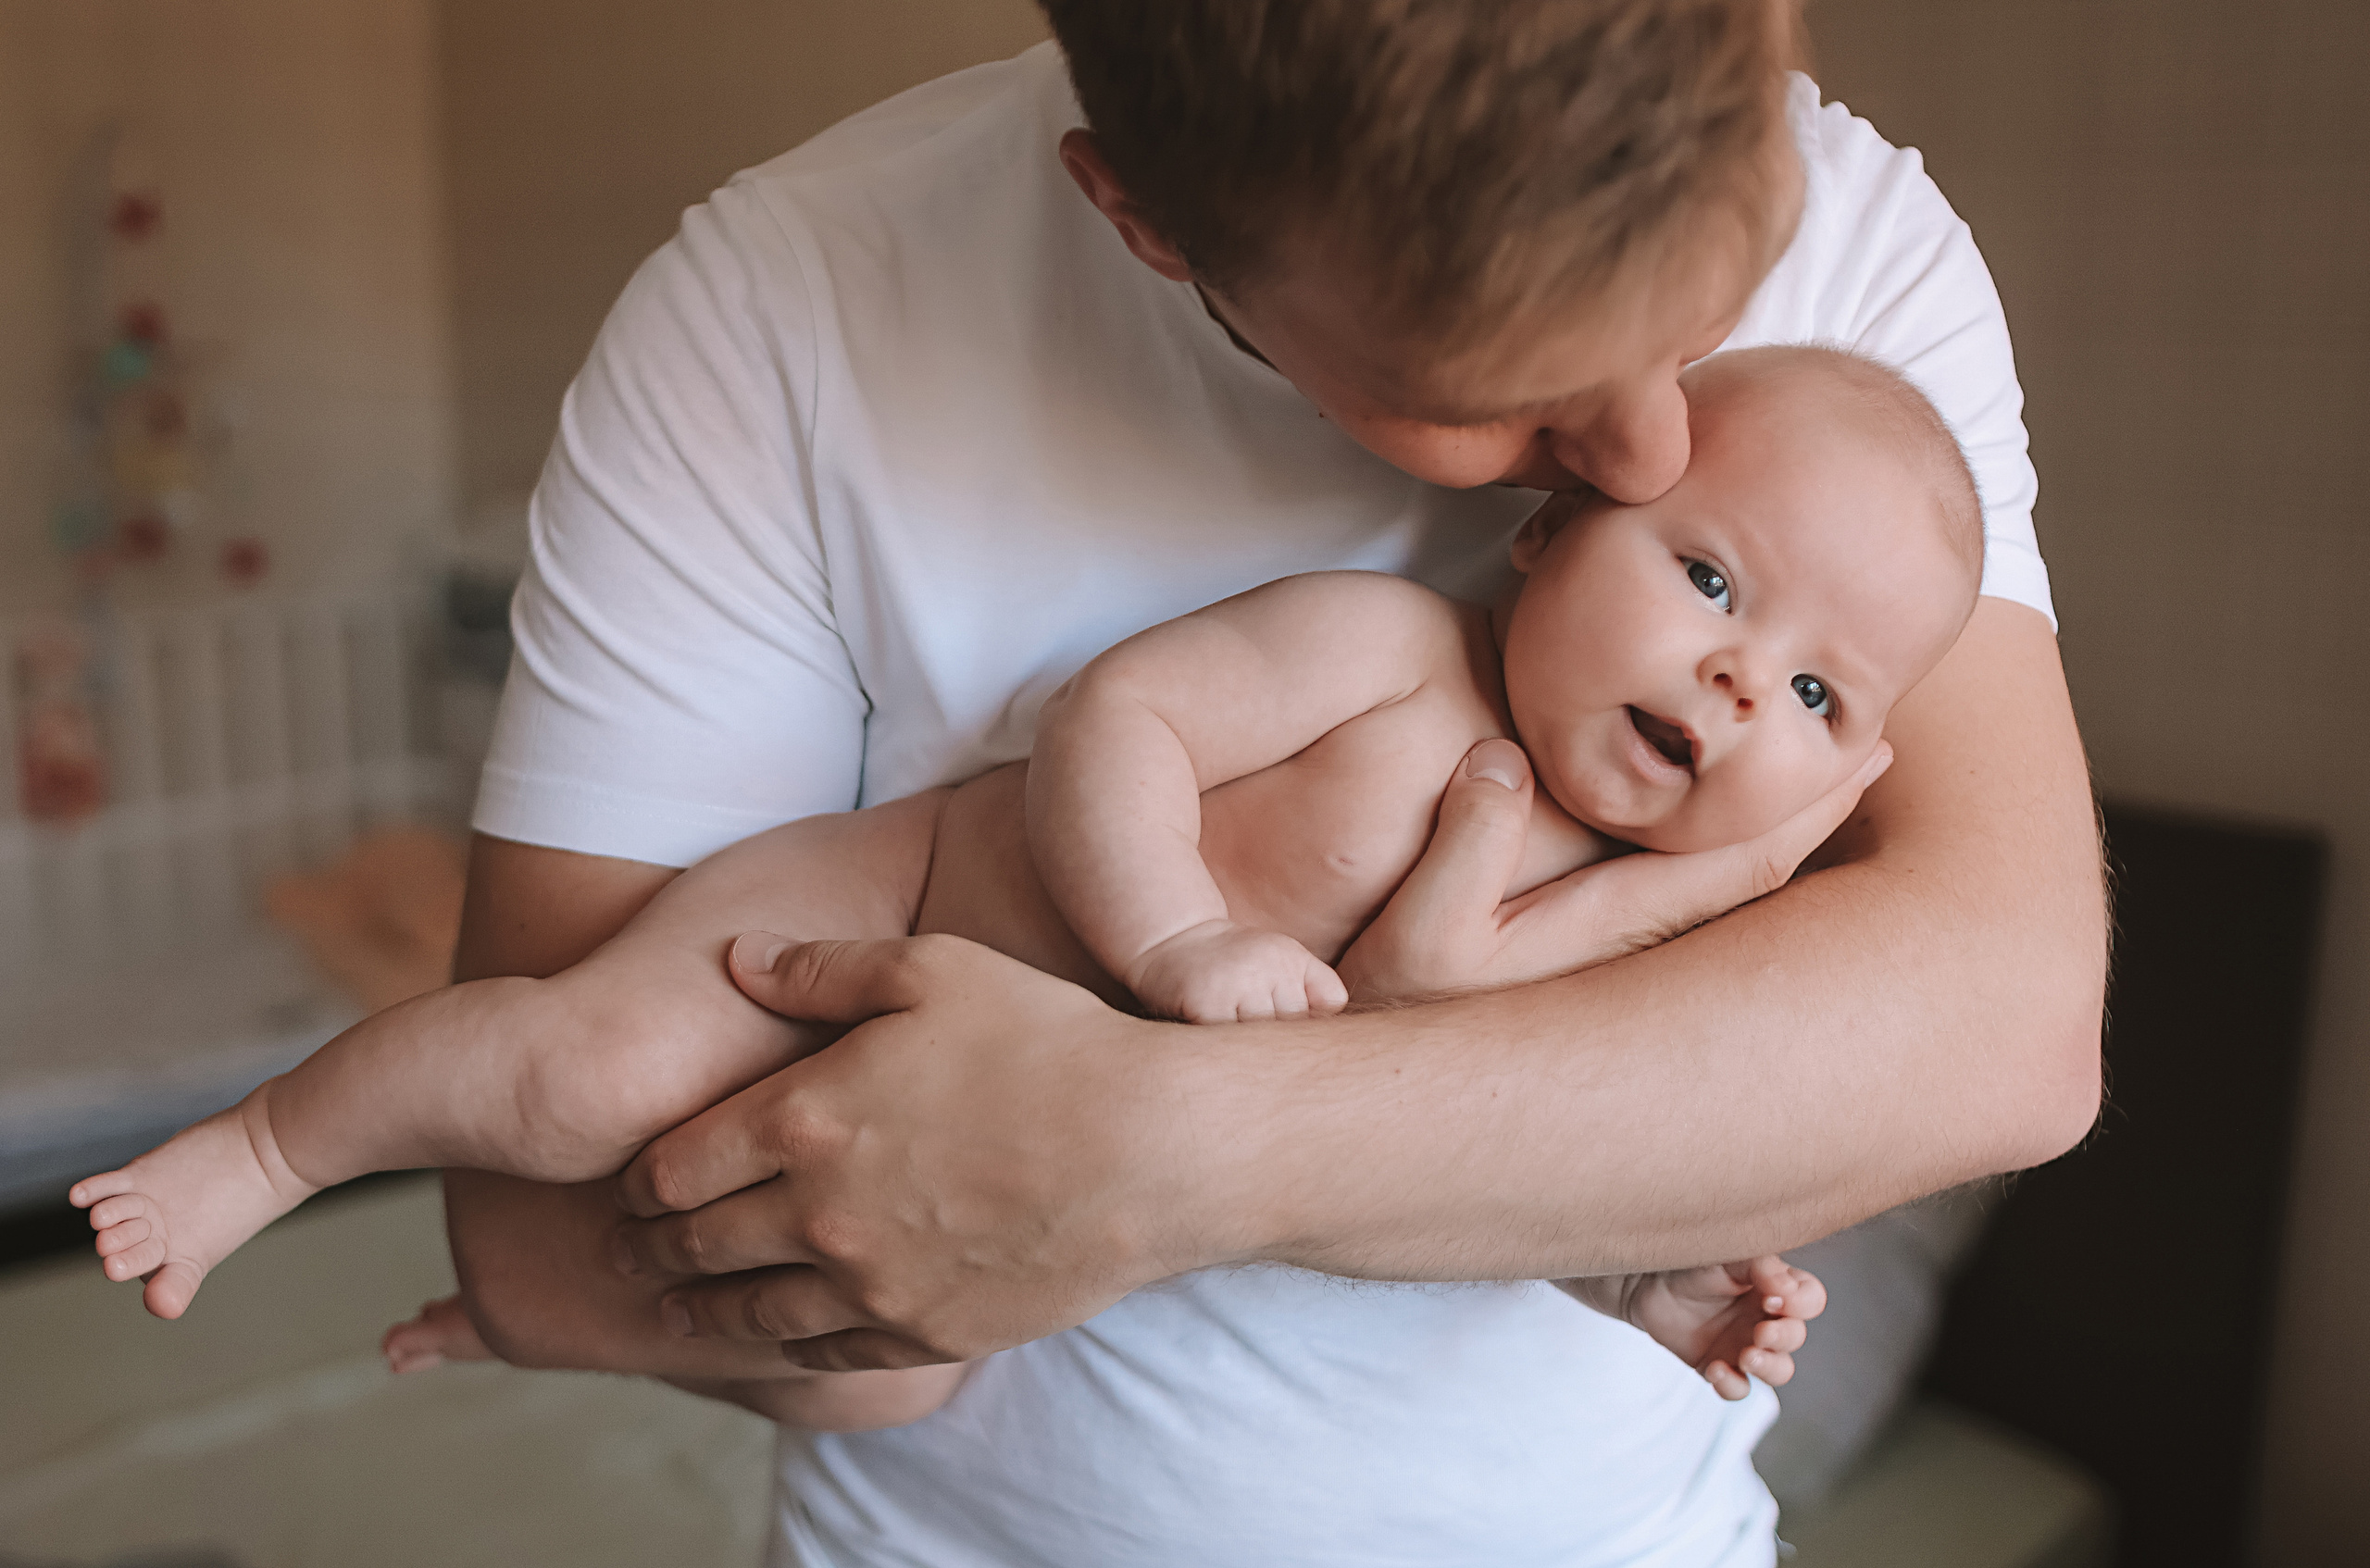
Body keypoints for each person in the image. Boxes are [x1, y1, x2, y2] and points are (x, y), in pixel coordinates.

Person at [382, 5, 2102, 1568]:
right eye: (1506, 391)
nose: (1655, 452)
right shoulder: (782, 322)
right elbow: (539, 1248)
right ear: (1142, 214)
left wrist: (1154, 1154)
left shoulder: (1865, 246)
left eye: (1707, 302)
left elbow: (2004, 1031)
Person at [76, 342, 1962, 1417]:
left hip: (962, 1147)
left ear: (1839, 777)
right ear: (1547, 532)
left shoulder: (1633, 915)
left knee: (883, 1367)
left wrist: (1629, 1274)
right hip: (873, 914)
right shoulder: (1391, 646)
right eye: (1709, 580)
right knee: (578, 1082)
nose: (1735, 674)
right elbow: (1113, 720)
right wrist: (1176, 931)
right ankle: (274, 1146)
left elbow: (1474, 1132)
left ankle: (541, 1317)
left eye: (1811, 688)